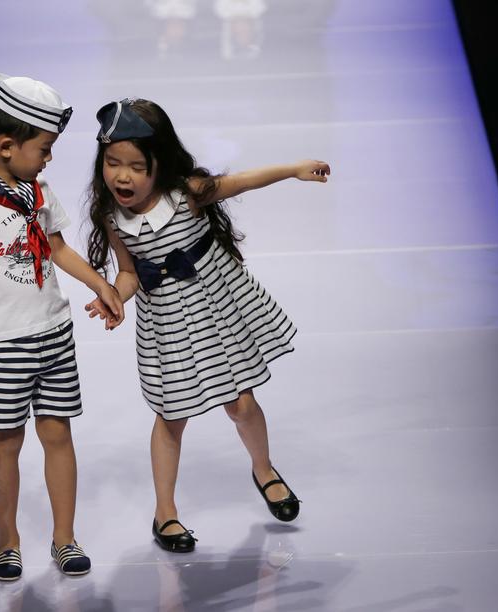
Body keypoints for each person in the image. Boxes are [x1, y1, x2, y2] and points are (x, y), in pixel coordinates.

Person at [84, 98, 330, 552]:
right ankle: (165, 514)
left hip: (216, 309)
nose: (122, 175)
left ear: (160, 163)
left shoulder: (188, 192)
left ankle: (264, 470)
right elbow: (129, 271)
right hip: (168, 323)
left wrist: (294, 169)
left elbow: (242, 182)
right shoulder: (111, 217)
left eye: (136, 166)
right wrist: (114, 295)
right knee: (171, 415)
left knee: (241, 402)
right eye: (112, 162)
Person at [0, 74, 124, 580]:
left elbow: (58, 249)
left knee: (58, 433)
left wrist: (99, 284)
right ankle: (7, 542)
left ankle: (65, 538)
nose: (50, 158)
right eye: (45, 148)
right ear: (6, 145)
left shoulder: (38, 190)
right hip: (3, 342)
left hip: (54, 332)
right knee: (8, 441)